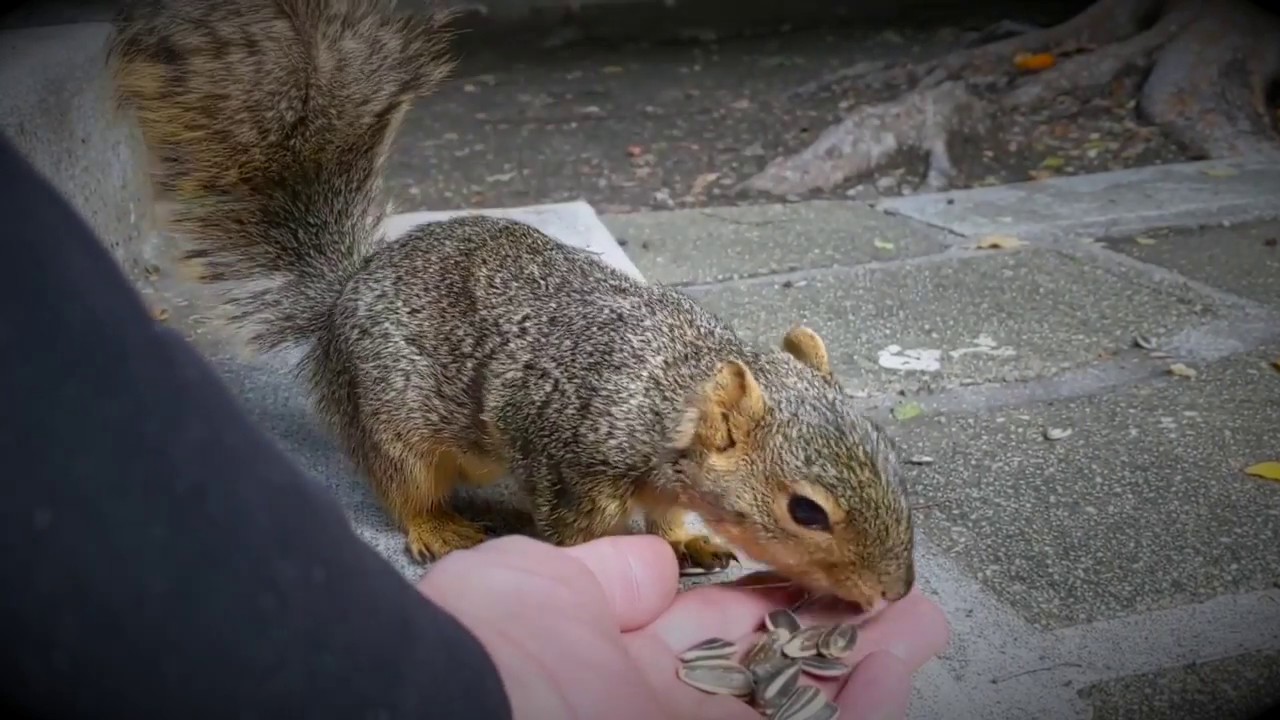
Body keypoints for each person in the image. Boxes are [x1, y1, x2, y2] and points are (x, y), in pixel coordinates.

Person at [0, 133, 949, 719]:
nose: (844, 572)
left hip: (513, 305)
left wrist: (675, 535)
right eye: (810, 515)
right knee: (440, 440)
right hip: (409, 338)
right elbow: (571, 485)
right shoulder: (621, 425)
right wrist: (585, 568)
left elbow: (669, 489)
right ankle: (416, 512)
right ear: (727, 425)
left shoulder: (698, 434)